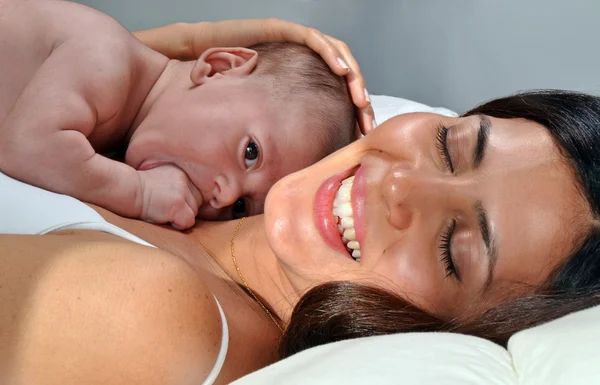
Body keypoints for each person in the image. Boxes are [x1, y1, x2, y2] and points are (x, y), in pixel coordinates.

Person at [3, 85, 600, 384]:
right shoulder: (205, 173)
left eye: (454, 249)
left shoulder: (158, 316)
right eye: (450, 145)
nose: (400, 189)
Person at [0, 0, 357, 229]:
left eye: (241, 209)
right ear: (219, 67)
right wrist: (139, 194)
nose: (225, 196)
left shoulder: (119, 128)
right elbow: (27, 145)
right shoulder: (105, 59)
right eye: (251, 152)